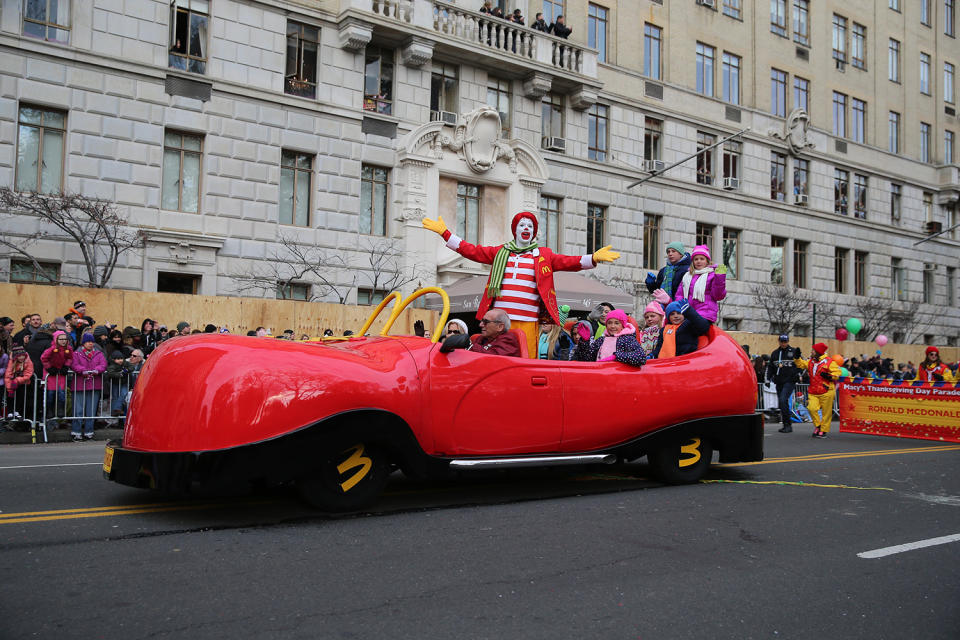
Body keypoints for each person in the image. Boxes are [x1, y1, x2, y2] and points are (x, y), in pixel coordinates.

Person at [423, 211, 620, 357]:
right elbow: (472, 251)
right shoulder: (501, 252)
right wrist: (446, 234)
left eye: (530, 226)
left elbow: (569, 262)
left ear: (534, 232)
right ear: (515, 230)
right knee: (494, 358)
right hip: (499, 322)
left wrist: (593, 258)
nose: (526, 228)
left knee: (525, 358)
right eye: (522, 225)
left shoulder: (543, 255)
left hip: (527, 320)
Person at [668, 245, 727, 324]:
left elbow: (718, 296)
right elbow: (680, 295)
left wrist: (720, 278)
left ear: (707, 261)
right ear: (693, 262)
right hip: (688, 313)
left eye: (702, 259)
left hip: (705, 314)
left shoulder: (712, 275)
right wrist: (679, 310)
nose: (698, 261)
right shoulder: (687, 276)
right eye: (696, 259)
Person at [793, 342, 840, 439]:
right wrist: (797, 357)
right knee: (811, 408)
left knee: (826, 413)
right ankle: (818, 426)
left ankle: (823, 430)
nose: (811, 352)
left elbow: (837, 372)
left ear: (818, 352)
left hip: (826, 391)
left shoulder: (829, 362)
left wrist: (830, 376)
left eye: (813, 350)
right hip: (813, 391)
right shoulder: (811, 362)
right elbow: (801, 364)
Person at [572, 310, 645, 366]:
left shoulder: (628, 339)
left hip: (619, 378)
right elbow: (587, 359)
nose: (612, 326)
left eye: (617, 323)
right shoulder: (601, 340)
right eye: (609, 323)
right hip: (601, 376)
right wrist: (584, 342)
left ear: (623, 326)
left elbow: (641, 357)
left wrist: (616, 356)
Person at [70, 334, 107, 441]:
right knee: (78, 410)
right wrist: (83, 370)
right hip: (80, 384)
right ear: (83, 343)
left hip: (94, 385)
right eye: (88, 342)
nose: (90, 343)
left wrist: (97, 370)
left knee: (91, 410)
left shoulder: (98, 353)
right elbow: (74, 365)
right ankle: (76, 431)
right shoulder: (76, 354)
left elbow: (103, 364)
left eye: (92, 342)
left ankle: (89, 432)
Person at [767, 334, 802, 433]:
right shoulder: (775, 353)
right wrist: (768, 379)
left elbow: (801, 365)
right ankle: (786, 424)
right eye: (782, 341)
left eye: (785, 341)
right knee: (782, 403)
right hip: (779, 381)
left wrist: (798, 374)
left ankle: (787, 424)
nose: (783, 343)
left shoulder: (794, 351)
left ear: (788, 341)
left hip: (790, 381)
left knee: (783, 399)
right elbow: (770, 367)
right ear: (779, 341)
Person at [452, 309, 522, 357]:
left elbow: (494, 359)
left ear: (500, 327)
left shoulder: (508, 340)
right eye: (482, 321)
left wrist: (469, 345)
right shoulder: (481, 338)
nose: (480, 325)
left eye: (486, 322)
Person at [41, 330, 73, 425]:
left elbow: (70, 358)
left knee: (61, 393)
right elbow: (43, 358)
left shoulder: (68, 349)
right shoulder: (51, 349)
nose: (63, 341)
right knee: (50, 394)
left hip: (61, 373)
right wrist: (49, 368)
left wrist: (66, 366)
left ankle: (60, 409)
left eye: (65, 339)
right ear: (56, 339)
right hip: (51, 374)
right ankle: (49, 410)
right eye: (61, 339)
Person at [4, 345, 34, 422]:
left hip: (22, 382)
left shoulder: (28, 361)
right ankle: (10, 412)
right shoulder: (11, 361)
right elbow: (8, 374)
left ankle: (16, 411)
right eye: (19, 356)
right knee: (10, 396)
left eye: (23, 356)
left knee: (20, 396)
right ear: (15, 356)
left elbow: (28, 373)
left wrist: (17, 380)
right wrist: (9, 387)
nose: (22, 358)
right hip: (12, 382)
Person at [105, 351, 133, 419]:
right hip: (115, 383)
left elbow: (132, 367)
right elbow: (110, 372)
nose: (120, 360)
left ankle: (116, 409)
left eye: (121, 358)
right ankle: (114, 413)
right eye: (117, 359)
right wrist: (119, 374)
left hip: (124, 383)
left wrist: (126, 370)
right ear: (113, 360)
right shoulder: (112, 365)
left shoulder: (125, 363)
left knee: (123, 393)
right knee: (115, 397)